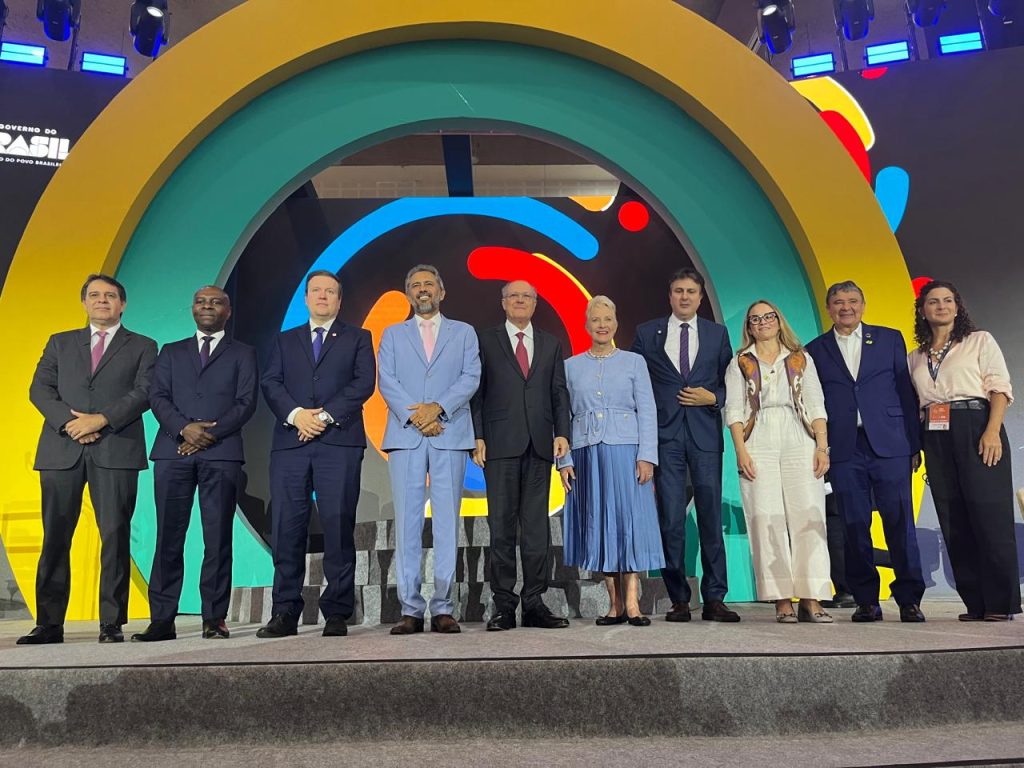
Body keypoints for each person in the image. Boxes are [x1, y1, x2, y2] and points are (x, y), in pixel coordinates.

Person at [18, 274, 157, 645]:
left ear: (122, 304)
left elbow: (145, 391)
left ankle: (111, 622)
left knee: (115, 535)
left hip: (116, 448)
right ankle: (49, 623)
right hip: (61, 449)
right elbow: (40, 389)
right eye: (94, 295)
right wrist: (71, 423)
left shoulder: (144, 345)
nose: (102, 300)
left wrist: (102, 420)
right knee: (55, 535)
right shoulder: (60, 342)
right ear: (84, 303)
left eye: (110, 295)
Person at [132, 286, 258, 642]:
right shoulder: (171, 351)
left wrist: (208, 434)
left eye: (216, 302)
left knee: (217, 538)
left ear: (227, 310)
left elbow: (246, 401)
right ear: (192, 309)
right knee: (168, 537)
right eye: (201, 302)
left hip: (222, 452)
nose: (208, 306)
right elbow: (158, 396)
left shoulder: (244, 353)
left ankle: (214, 618)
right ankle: (162, 619)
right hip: (173, 452)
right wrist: (184, 429)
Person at [259, 270, 375, 638]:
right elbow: (270, 382)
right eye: (316, 291)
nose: (322, 296)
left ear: (339, 300)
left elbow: (363, 383)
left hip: (338, 443)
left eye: (330, 291)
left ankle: (337, 611)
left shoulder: (358, 338)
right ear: (306, 298)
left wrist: (322, 417)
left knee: (338, 526)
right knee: (287, 527)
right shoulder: (284, 340)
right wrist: (297, 415)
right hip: (291, 444)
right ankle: (285, 611)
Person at [805, 281, 926, 623]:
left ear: (863, 304)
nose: (846, 307)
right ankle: (866, 601)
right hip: (844, 448)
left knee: (899, 522)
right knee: (854, 525)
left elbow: (906, 392)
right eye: (838, 302)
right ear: (829, 308)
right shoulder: (815, 350)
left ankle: (909, 599)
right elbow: (813, 402)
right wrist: (821, 448)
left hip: (891, 444)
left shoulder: (889, 339)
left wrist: (914, 444)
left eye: (852, 300)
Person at [908, 280, 1020, 621]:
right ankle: (975, 602)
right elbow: (915, 404)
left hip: (976, 426)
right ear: (922, 310)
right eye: (933, 301)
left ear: (958, 307)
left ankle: (1000, 603)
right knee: (952, 518)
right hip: (935, 434)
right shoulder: (915, 356)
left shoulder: (979, 340)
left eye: (947, 300)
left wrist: (992, 431)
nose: (941, 306)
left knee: (989, 515)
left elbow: (999, 388)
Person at [631, 268, 738, 622]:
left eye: (691, 291)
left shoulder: (717, 334)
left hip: (705, 435)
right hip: (665, 437)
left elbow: (731, 383)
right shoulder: (647, 333)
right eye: (678, 291)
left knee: (710, 518)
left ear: (701, 297)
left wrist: (714, 398)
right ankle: (678, 598)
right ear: (670, 295)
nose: (685, 297)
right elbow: (634, 383)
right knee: (670, 521)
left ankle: (715, 598)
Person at [379, 265, 480, 635]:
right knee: (407, 522)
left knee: (446, 522)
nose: (423, 290)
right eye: (415, 285)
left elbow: (471, 377)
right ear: (408, 294)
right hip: (406, 434)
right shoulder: (392, 334)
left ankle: (442, 607)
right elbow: (386, 380)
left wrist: (437, 409)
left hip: (449, 432)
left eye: (429, 284)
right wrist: (418, 417)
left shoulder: (464, 332)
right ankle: (410, 608)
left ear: (442, 292)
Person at [471, 280, 572, 630]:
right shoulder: (484, 340)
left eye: (526, 296)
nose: (519, 300)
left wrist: (562, 433)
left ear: (535, 302)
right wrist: (477, 435)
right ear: (503, 302)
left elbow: (559, 392)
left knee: (536, 529)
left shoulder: (550, 343)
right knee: (501, 527)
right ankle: (503, 605)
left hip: (540, 444)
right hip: (498, 444)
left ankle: (534, 603)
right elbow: (476, 392)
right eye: (513, 295)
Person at [724, 300, 833, 623]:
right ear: (748, 326)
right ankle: (781, 599)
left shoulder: (800, 358)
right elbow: (734, 410)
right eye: (755, 319)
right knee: (765, 517)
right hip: (758, 437)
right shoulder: (740, 362)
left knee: (808, 513)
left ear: (778, 320)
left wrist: (822, 446)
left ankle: (811, 597)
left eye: (768, 316)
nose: (762, 322)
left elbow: (816, 404)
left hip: (799, 434)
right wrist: (741, 450)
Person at [558, 296, 664, 626]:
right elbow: (562, 416)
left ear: (616, 324)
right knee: (599, 525)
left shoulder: (634, 363)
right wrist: (564, 460)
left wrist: (647, 456)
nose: (602, 325)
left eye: (607, 319)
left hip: (627, 451)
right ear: (586, 325)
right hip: (586, 454)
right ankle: (614, 605)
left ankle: (633, 603)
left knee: (628, 523)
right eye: (595, 320)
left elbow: (647, 410)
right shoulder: (570, 366)